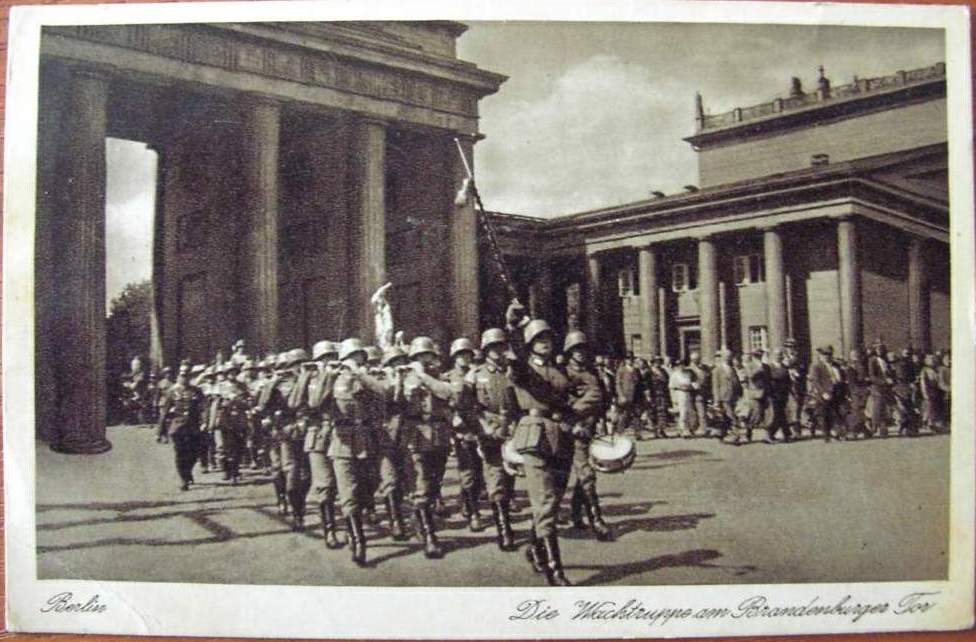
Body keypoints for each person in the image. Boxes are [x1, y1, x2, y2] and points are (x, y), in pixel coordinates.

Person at [505, 302, 574, 586]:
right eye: (538, 339)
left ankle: (535, 547)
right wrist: (513, 327)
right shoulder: (522, 368)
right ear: (529, 344)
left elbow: (568, 398)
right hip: (534, 436)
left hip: (561, 437)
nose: (544, 343)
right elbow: (517, 363)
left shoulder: (559, 370)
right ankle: (555, 570)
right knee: (544, 502)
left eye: (547, 339)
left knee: (553, 502)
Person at [319, 338, 389, 565]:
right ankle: (359, 542)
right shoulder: (333, 378)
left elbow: (383, 392)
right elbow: (314, 402)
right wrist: (328, 376)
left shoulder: (368, 378)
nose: (356, 359)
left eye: (360, 356)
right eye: (352, 356)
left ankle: (355, 528)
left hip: (367, 441)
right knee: (348, 494)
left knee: (367, 487)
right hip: (341, 443)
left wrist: (360, 374)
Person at [402, 336, 459, 559]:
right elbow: (399, 399)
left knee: (435, 485)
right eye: (420, 357)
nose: (426, 360)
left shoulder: (439, 377)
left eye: (429, 356)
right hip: (416, 436)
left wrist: (424, 376)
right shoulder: (405, 378)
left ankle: (419, 520)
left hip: (440, 436)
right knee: (422, 486)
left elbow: (448, 393)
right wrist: (411, 380)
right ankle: (429, 537)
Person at [465, 327, 518, 551]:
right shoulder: (476, 376)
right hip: (488, 428)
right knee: (495, 477)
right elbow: (467, 406)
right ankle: (504, 530)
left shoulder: (512, 372)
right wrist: (483, 427)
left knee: (510, 476)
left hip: (512, 429)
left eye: (501, 346)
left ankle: (505, 514)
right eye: (493, 347)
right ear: (486, 350)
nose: (497, 350)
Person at [562, 330, 613, 542]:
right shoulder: (564, 374)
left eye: (583, 349)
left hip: (589, 429)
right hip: (573, 430)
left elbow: (602, 399)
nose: (580, 353)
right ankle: (596, 519)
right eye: (576, 349)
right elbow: (561, 402)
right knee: (585, 474)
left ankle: (576, 514)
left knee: (585, 474)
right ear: (569, 352)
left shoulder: (592, 373)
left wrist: (602, 419)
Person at [443, 337, 486, 532]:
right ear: (454, 357)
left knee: (478, 472)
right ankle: (473, 512)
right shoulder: (447, 377)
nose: (465, 357)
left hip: (480, 426)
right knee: (468, 471)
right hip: (461, 429)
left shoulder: (478, 374)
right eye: (461, 354)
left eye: (467, 354)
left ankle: (468, 501)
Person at [156, 361, 204, 491]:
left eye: (187, 374)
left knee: (194, 453)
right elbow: (164, 412)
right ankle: (183, 479)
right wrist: (160, 431)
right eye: (183, 374)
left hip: (193, 427)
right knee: (180, 454)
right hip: (177, 427)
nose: (185, 377)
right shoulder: (172, 391)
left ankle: (188, 472)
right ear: (179, 376)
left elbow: (204, 408)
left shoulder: (197, 391)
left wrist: (204, 422)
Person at [213, 361, 250, 483]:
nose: (232, 374)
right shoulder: (220, 386)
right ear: (226, 373)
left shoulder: (242, 386)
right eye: (230, 372)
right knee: (226, 447)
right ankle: (227, 470)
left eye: (234, 372)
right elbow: (215, 404)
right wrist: (212, 422)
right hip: (225, 419)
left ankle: (235, 470)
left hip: (240, 419)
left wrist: (239, 402)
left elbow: (249, 402)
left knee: (239, 447)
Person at [807, 346, 847, 442]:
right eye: (825, 355)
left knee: (839, 413)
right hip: (825, 393)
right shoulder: (816, 366)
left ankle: (839, 433)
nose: (827, 357)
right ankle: (827, 435)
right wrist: (823, 393)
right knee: (825, 415)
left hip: (837, 392)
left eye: (829, 354)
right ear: (821, 356)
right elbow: (816, 382)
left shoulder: (836, 365)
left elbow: (842, 377)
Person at [710, 350, 741, 441]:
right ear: (722, 357)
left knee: (726, 417)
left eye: (730, 356)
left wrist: (739, 393)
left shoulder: (732, 369)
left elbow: (736, 382)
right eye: (726, 356)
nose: (728, 358)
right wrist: (716, 400)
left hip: (733, 396)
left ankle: (722, 435)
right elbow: (715, 386)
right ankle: (735, 435)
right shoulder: (717, 370)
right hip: (723, 397)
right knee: (731, 416)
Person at [866, 341, 893, 437]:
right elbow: (872, 376)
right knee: (878, 407)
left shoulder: (886, 361)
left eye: (882, 349)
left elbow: (889, 372)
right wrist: (883, 381)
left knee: (885, 408)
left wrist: (891, 379)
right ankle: (874, 426)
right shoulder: (872, 360)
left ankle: (883, 427)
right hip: (877, 387)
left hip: (887, 387)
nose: (880, 351)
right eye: (878, 349)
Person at [766, 349, 793, 443]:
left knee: (781, 414)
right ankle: (785, 434)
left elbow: (788, 380)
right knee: (779, 414)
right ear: (773, 356)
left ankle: (773, 434)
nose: (779, 357)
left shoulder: (784, 367)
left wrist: (789, 389)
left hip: (783, 394)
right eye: (777, 355)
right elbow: (768, 381)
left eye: (780, 355)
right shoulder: (769, 367)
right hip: (774, 394)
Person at [844, 349, 871, 439]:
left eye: (857, 355)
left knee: (861, 410)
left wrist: (867, 384)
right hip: (856, 391)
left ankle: (862, 429)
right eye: (853, 355)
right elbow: (852, 382)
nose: (856, 357)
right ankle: (854, 430)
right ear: (851, 357)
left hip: (863, 391)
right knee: (856, 410)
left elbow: (865, 377)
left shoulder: (862, 366)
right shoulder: (850, 367)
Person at [669, 359, 697, 438]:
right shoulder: (674, 375)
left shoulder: (688, 373)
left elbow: (693, 384)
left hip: (688, 394)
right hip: (679, 394)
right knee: (682, 413)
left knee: (690, 412)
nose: (681, 367)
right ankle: (683, 430)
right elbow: (671, 387)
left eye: (682, 365)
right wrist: (673, 399)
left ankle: (688, 428)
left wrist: (693, 387)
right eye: (679, 365)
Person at [918, 354, 946, 433]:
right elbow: (923, 383)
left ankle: (937, 425)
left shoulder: (938, 369)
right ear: (927, 361)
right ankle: (929, 424)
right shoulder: (924, 370)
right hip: (930, 391)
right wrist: (925, 393)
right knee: (930, 408)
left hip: (938, 391)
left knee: (938, 408)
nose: (933, 361)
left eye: (934, 359)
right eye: (931, 360)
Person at [687, 350, 711, 437]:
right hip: (691, 393)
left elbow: (708, 379)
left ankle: (703, 428)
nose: (696, 361)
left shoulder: (705, 368)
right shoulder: (689, 369)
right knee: (693, 412)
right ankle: (694, 427)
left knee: (702, 412)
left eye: (697, 359)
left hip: (701, 393)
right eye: (694, 360)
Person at [155, 367, 174, 443]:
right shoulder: (161, 383)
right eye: (166, 373)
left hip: (172, 403)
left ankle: (166, 436)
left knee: (169, 420)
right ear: (164, 374)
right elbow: (157, 394)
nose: (168, 375)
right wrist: (156, 402)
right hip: (163, 402)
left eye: (169, 373)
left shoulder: (173, 383)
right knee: (162, 418)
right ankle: (158, 434)